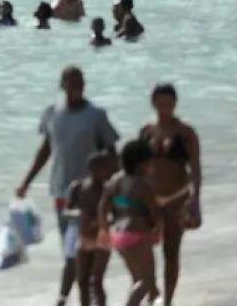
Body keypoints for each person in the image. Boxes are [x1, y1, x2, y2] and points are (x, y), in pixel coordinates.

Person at [16, 67, 119, 306]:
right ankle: (68, 298)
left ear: (84, 84)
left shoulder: (96, 116)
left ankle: (72, 298)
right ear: (62, 86)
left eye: (79, 82)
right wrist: (25, 183)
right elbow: (45, 151)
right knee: (72, 251)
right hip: (62, 193)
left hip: (93, 195)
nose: (75, 87)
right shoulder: (52, 114)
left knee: (88, 251)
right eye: (70, 83)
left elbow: (113, 154)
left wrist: (116, 189)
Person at [139, 84, 202, 306]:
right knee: (142, 251)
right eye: (160, 103)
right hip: (150, 200)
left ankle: (167, 301)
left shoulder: (186, 133)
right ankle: (151, 291)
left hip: (177, 197)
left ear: (175, 104)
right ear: (153, 103)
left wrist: (195, 202)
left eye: (169, 103)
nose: (164, 108)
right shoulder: (146, 131)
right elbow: (136, 168)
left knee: (171, 253)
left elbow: (195, 169)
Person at [99, 141, 162, 306]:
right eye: (150, 163)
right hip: (138, 235)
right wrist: (158, 230)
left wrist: (105, 230)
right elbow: (154, 211)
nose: (152, 167)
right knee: (147, 282)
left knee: (137, 280)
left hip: (118, 236)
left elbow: (102, 207)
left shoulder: (114, 180)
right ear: (141, 164)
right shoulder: (142, 184)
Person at [64, 151, 117, 306]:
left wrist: (103, 222)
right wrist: (81, 215)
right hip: (83, 236)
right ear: (93, 169)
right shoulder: (77, 187)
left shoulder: (110, 189)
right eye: (105, 168)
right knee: (82, 280)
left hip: (102, 237)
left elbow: (118, 214)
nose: (109, 172)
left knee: (96, 281)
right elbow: (66, 211)